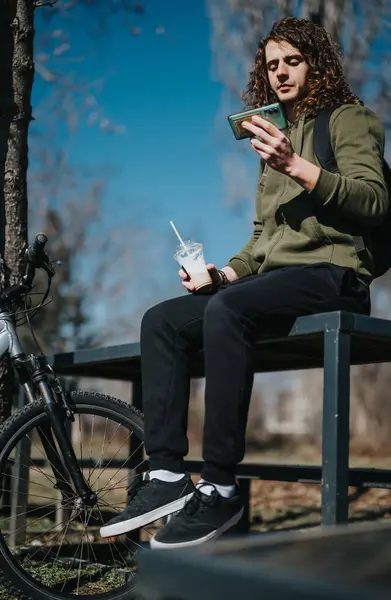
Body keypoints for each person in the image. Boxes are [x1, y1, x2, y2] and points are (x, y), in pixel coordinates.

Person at [100, 17, 388, 548]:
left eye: (292, 61)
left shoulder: (347, 120)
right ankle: (165, 475)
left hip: (334, 273)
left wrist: (296, 165)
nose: (280, 72)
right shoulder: (270, 137)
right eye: (272, 64)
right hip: (274, 281)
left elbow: (374, 200)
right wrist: (222, 273)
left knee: (226, 312)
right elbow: (264, 242)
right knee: (161, 320)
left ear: (316, 64)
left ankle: (223, 488)